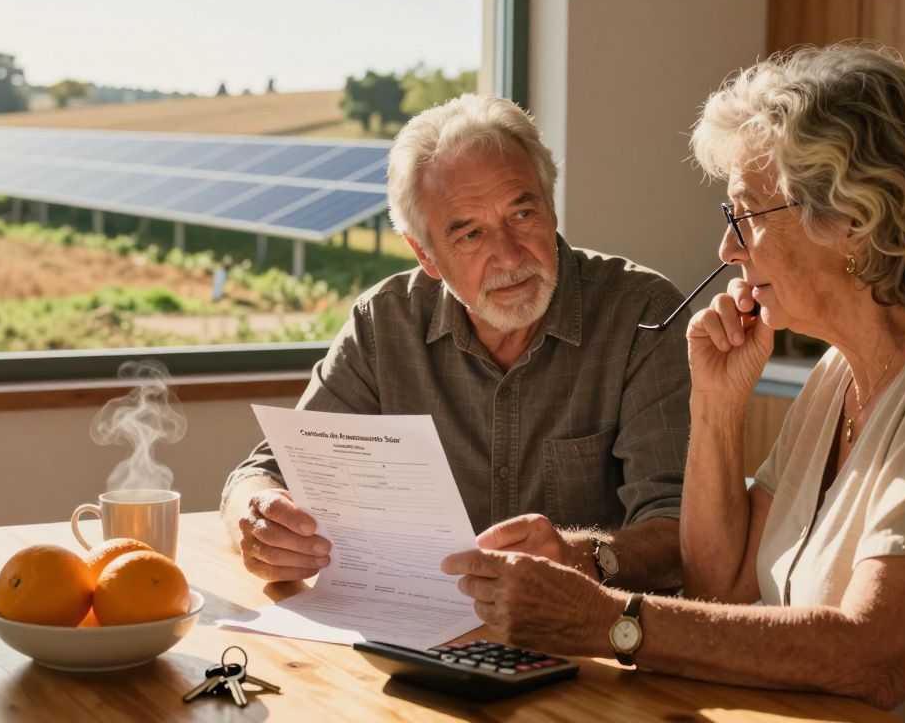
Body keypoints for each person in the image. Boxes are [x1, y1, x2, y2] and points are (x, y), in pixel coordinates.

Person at [442, 45, 905, 721]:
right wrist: (717, 404)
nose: (727, 250)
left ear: (852, 217)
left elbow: (878, 656)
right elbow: (722, 584)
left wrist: (607, 621)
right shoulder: (839, 370)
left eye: (744, 215)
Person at [221, 94, 691, 591]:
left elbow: (683, 529)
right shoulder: (385, 323)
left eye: (522, 214)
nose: (509, 257)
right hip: (417, 628)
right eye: (469, 235)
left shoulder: (645, 315)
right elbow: (266, 472)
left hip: (591, 638)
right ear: (425, 254)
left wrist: (582, 556)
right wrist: (256, 522)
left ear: (550, 207)